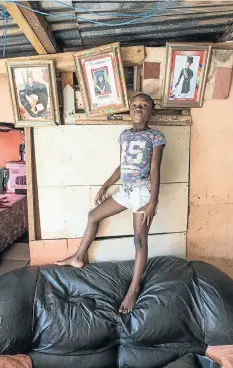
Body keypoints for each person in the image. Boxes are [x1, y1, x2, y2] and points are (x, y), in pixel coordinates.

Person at [56, 93, 166, 314]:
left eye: (144, 105)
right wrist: (106, 185)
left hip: (143, 193)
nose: (138, 108)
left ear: (151, 111)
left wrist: (153, 201)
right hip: (125, 190)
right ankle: (78, 257)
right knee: (93, 215)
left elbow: (155, 169)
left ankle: (134, 288)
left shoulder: (156, 137)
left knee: (139, 241)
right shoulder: (124, 135)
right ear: (129, 109)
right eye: (135, 105)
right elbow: (122, 166)